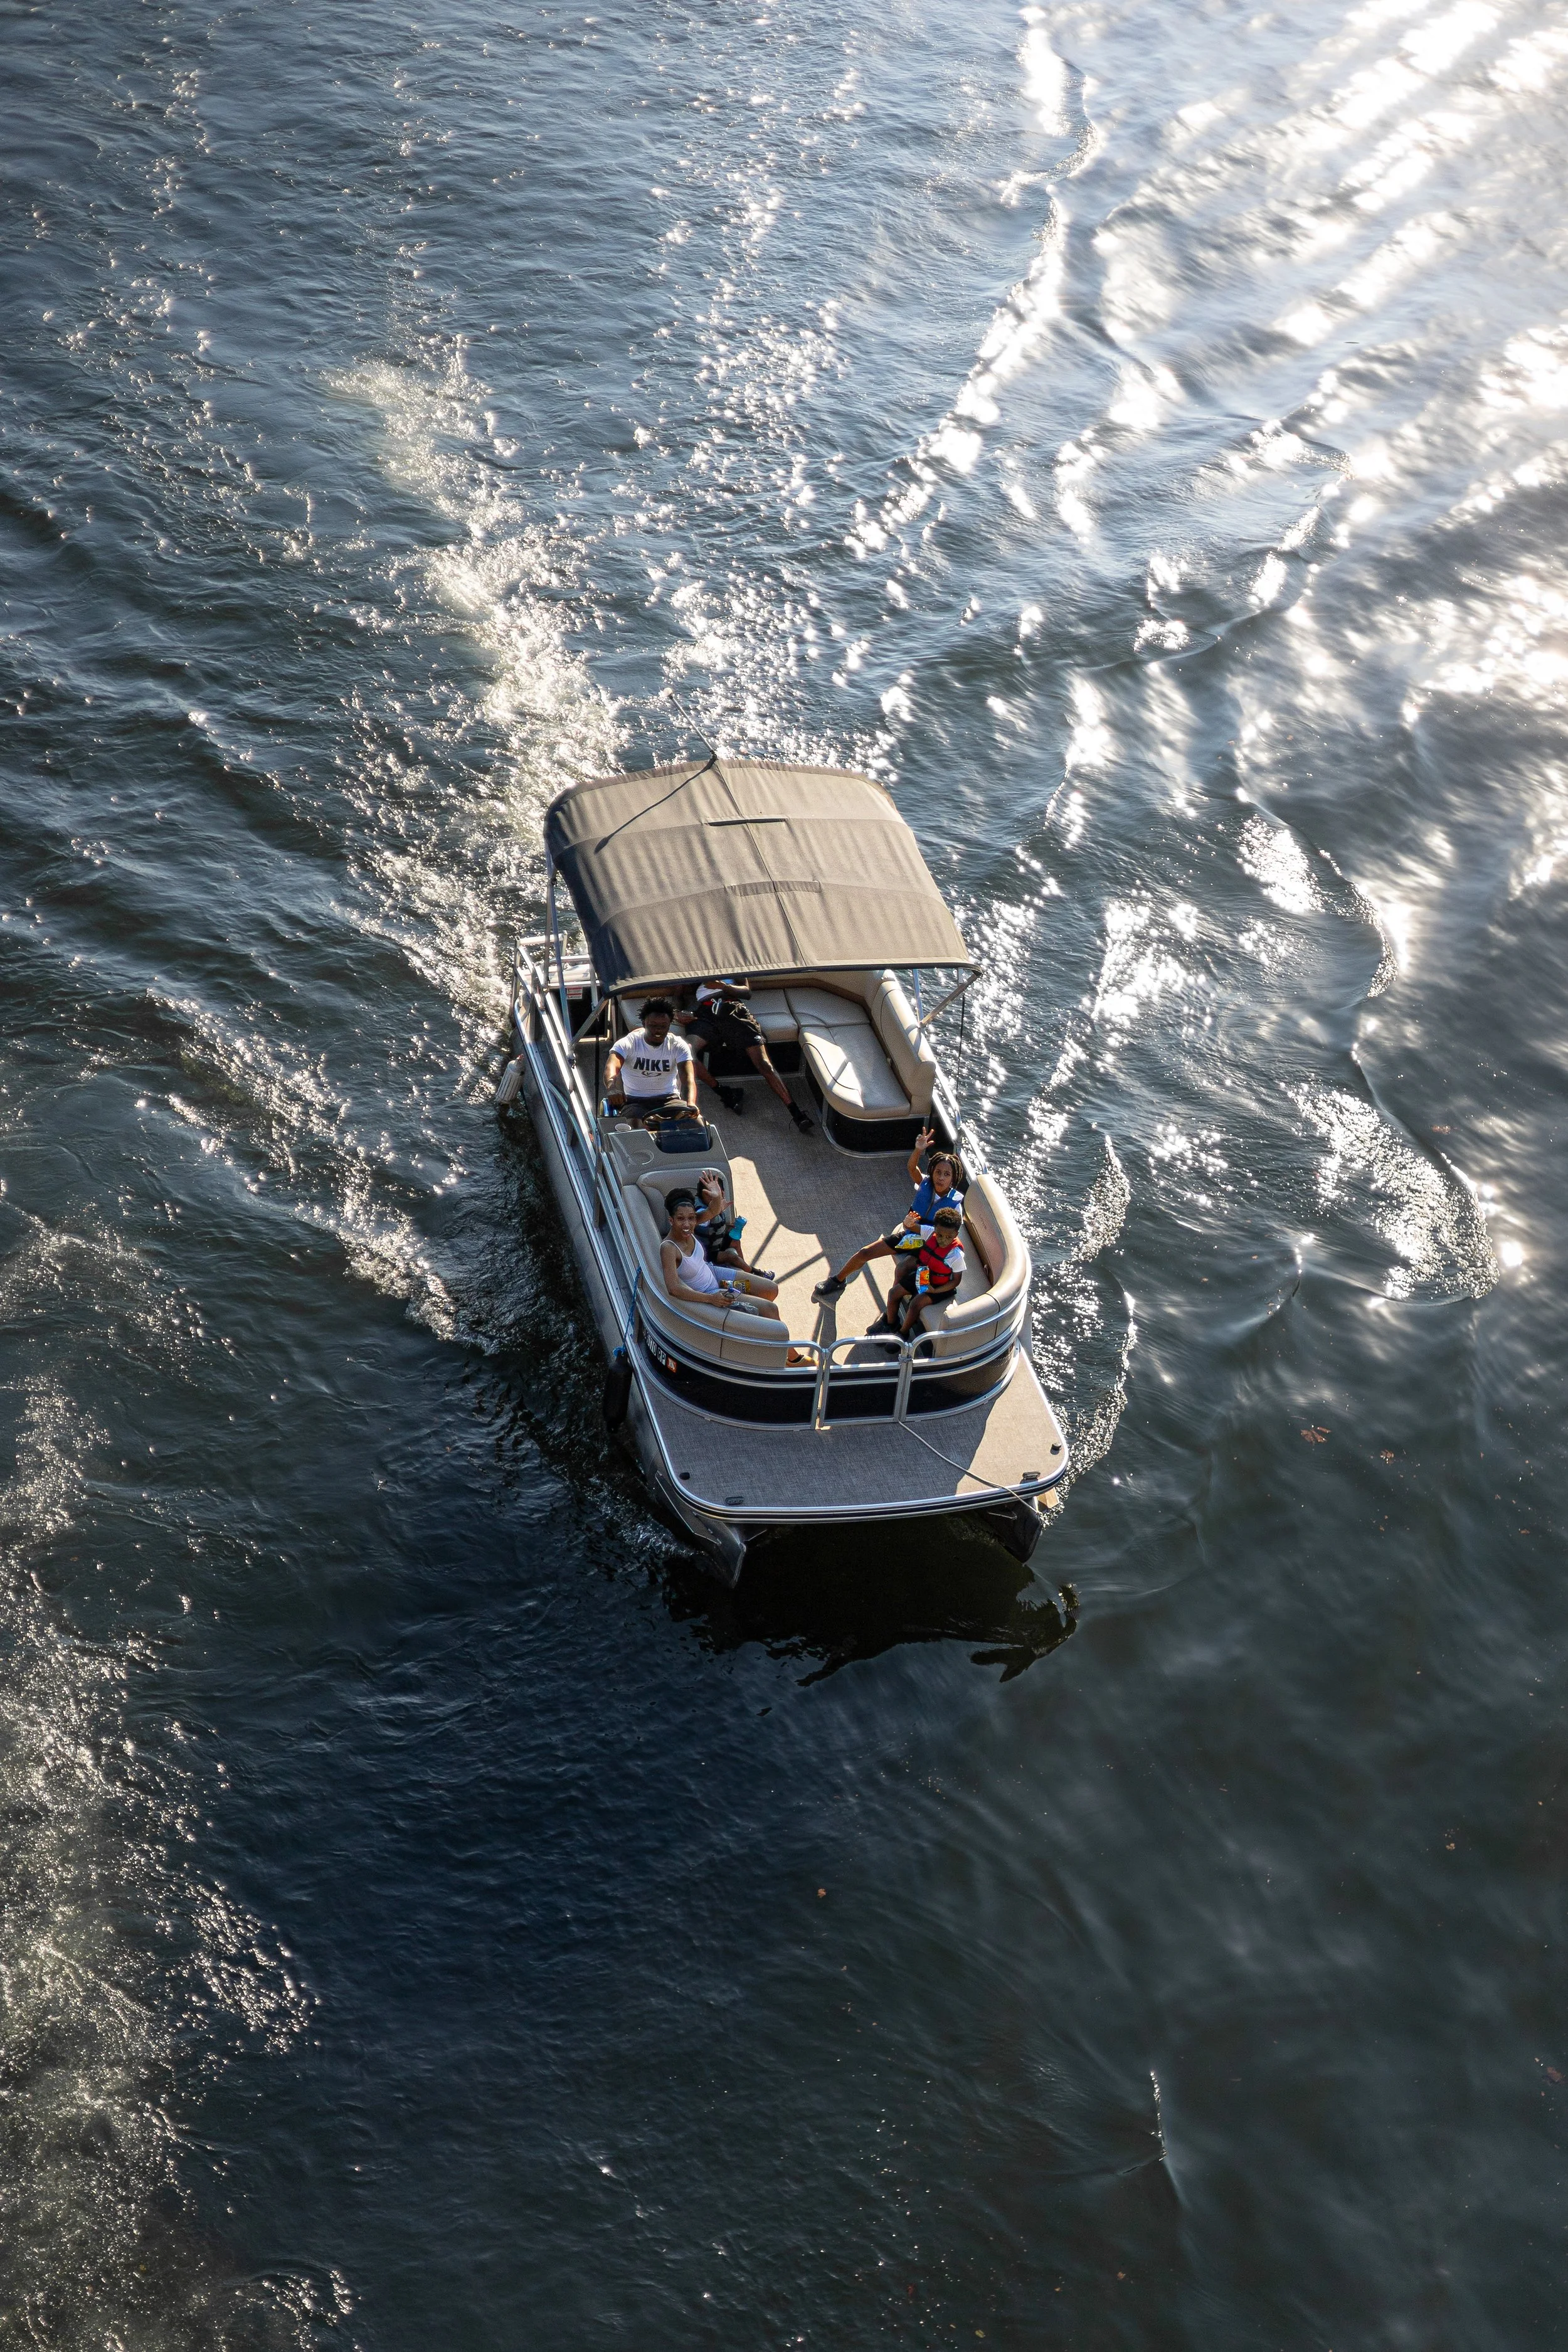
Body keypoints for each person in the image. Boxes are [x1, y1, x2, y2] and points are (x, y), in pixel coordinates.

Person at [811, 1127, 965, 1303]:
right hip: (911, 1238)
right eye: (938, 1172)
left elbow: (948, 1235)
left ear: (953, 1179)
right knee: (865, 1252)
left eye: (947, 1174)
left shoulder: (955, 1206)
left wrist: (915, 1226)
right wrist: (918, 1149)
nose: (941, 1178)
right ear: (932, 1172)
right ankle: (838, 1280)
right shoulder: (925, 1183)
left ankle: (893, 1315)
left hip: (929, 1247)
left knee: (904, 1271)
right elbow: (911, 1167)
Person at [659, 1198, 809, 1363]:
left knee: (770, 1289)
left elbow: (712, 1211)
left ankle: (756, 1329)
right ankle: (793, 1358)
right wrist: (711, 1299)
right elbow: (673, 1288)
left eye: (692, 1218)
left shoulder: (688, 1228)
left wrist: (716, 1195)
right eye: (681, 1219)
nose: (687, 1223)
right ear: (671, 1221)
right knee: (770, 1309)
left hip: (715, 1274)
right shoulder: (669, 1248)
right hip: (711, 1293)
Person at [681, 977, 814, 1135]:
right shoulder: (697, 967)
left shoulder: (730, 963)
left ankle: (796, 1113)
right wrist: (679, 1012)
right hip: (704, 1014)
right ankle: (725, 1093)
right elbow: (680, 993)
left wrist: (724, 986)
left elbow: (747, 992)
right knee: (686, 1053)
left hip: (732, 1009)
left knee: (764, 1064)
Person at [604, 997, 707, 1123]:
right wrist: (612, 1087)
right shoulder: (628, 1043)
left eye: (663, 1026)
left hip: (670, 1100)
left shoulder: (678, 1045)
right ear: (643, 1024)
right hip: (634, 1102)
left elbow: (688, 1079)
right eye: (653, 1026)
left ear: (670, 1025)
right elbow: (612, 1067)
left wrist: (691, 1103)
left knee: (698, 1123)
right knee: (634, 1125)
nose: (658, 1031)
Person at [877, 1204, 965, 1337]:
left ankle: (903, 1334)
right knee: (894, 1293)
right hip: (923, 1276)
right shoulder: (930, 1233)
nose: (943, 1240)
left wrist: (935, 1290)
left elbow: (955, 1282)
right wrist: (908, 1222)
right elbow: (913, 1227)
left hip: (940, 1287)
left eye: (949, 1237)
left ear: (956, 1235)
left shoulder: (956, 1255)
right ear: (935, 1229)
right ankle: (891, 1324)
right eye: (940, 1235)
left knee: (915, 1304)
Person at [689, 1168, 775, 1281]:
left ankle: (745, 1269)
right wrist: (716, 1210)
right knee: (731, 1257)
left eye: (719, 1194)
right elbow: (703, 1222)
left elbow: (715, 1227)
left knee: (735, 1241)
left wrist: (730, 1227)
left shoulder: (717, 1204)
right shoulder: (701, 1210)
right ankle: (755, 1275)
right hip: (706, 1252)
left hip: (715, 1244)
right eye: (711, 1195)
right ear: (702, 1194)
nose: (715, 1198)